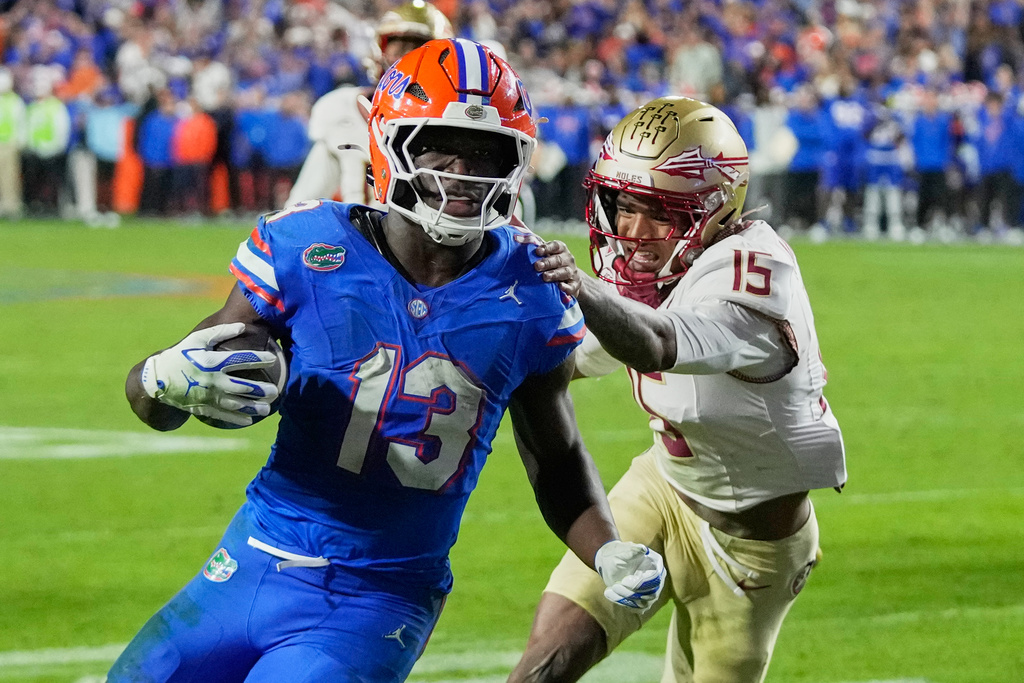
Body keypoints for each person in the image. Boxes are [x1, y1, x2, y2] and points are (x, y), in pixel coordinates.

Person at [108, 39, 665, 683]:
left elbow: (556, 455)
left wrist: (608, 552)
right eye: (439, 144)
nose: (462, 171)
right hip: (252, 560)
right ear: (388, 141)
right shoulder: (307, 245)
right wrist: (159, 379)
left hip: (379, 595)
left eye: (486, 151)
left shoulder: (532, 287)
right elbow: (167, 392)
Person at [509, 96, 847, 683]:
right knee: (541, 670)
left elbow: (655, 341)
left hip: (751, 550)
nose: (632, 233)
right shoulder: (656, 269)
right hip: (661, 491)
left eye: (658, 214)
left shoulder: (756, 274)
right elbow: (573, 360)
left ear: (714, 211)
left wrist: (582, 290)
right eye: (622, 206)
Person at [286, 0, 453, 207]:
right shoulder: (342, 109)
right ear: (380, 51)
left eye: (418, 50)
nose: (407, 60)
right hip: (356, 236)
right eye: (400, 48)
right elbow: (300, 206)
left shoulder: (451, 121)